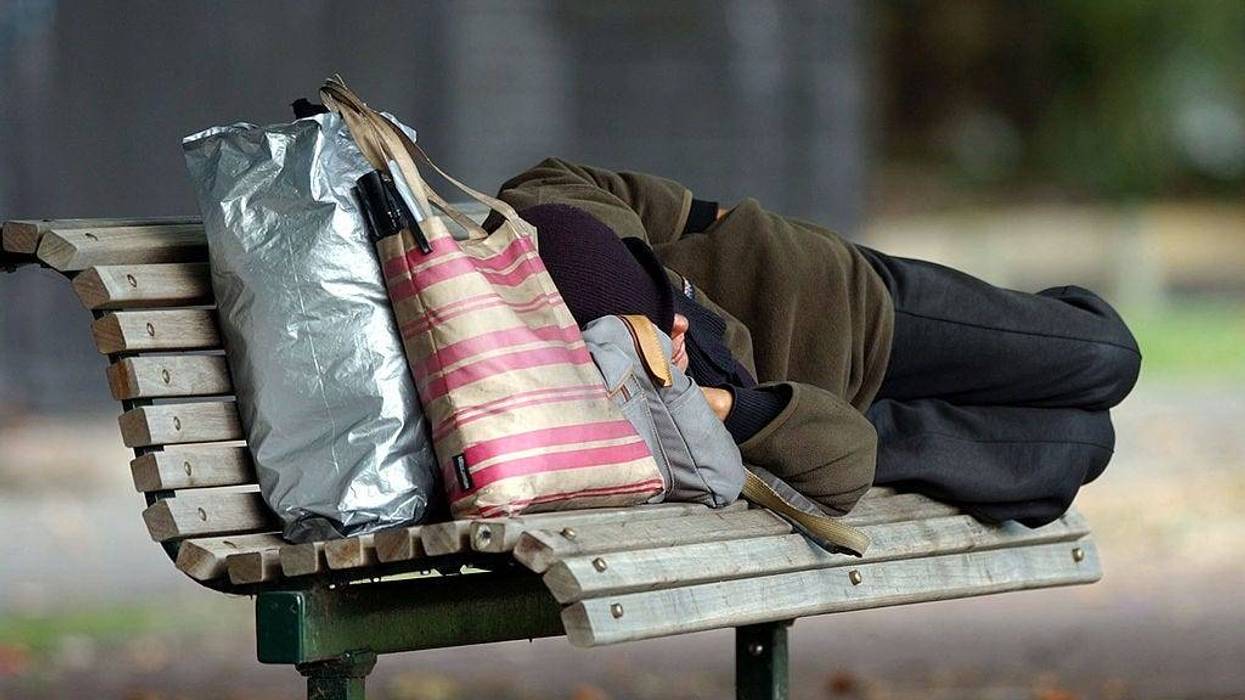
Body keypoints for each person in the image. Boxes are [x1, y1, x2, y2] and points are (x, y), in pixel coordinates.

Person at [494, 158, 1142, 528]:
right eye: (662, 349)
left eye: (669, 315)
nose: (682, 331)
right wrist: (722, 408)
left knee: (1107, 355)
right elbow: (847, 454)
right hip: (840, 416)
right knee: (1078, 447)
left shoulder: (560, 245)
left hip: (853, 304)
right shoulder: (652, 418)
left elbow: (555, 179)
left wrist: (722, 224)